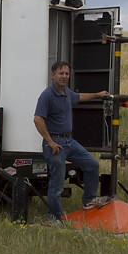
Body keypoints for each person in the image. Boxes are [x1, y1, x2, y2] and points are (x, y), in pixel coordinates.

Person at [34, 61, 111, 223]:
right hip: (55, 144)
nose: (64, 76)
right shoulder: (47, 95)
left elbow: (80, 97)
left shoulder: (66, 93)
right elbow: (38, 119)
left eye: (66, 74)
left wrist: (97, 95)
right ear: (53, 75)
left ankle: (89, 200)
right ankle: (56, 218)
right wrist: (50, 141)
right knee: (57, 184)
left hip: (69, 141)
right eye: (61, 73)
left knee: (92, 165)